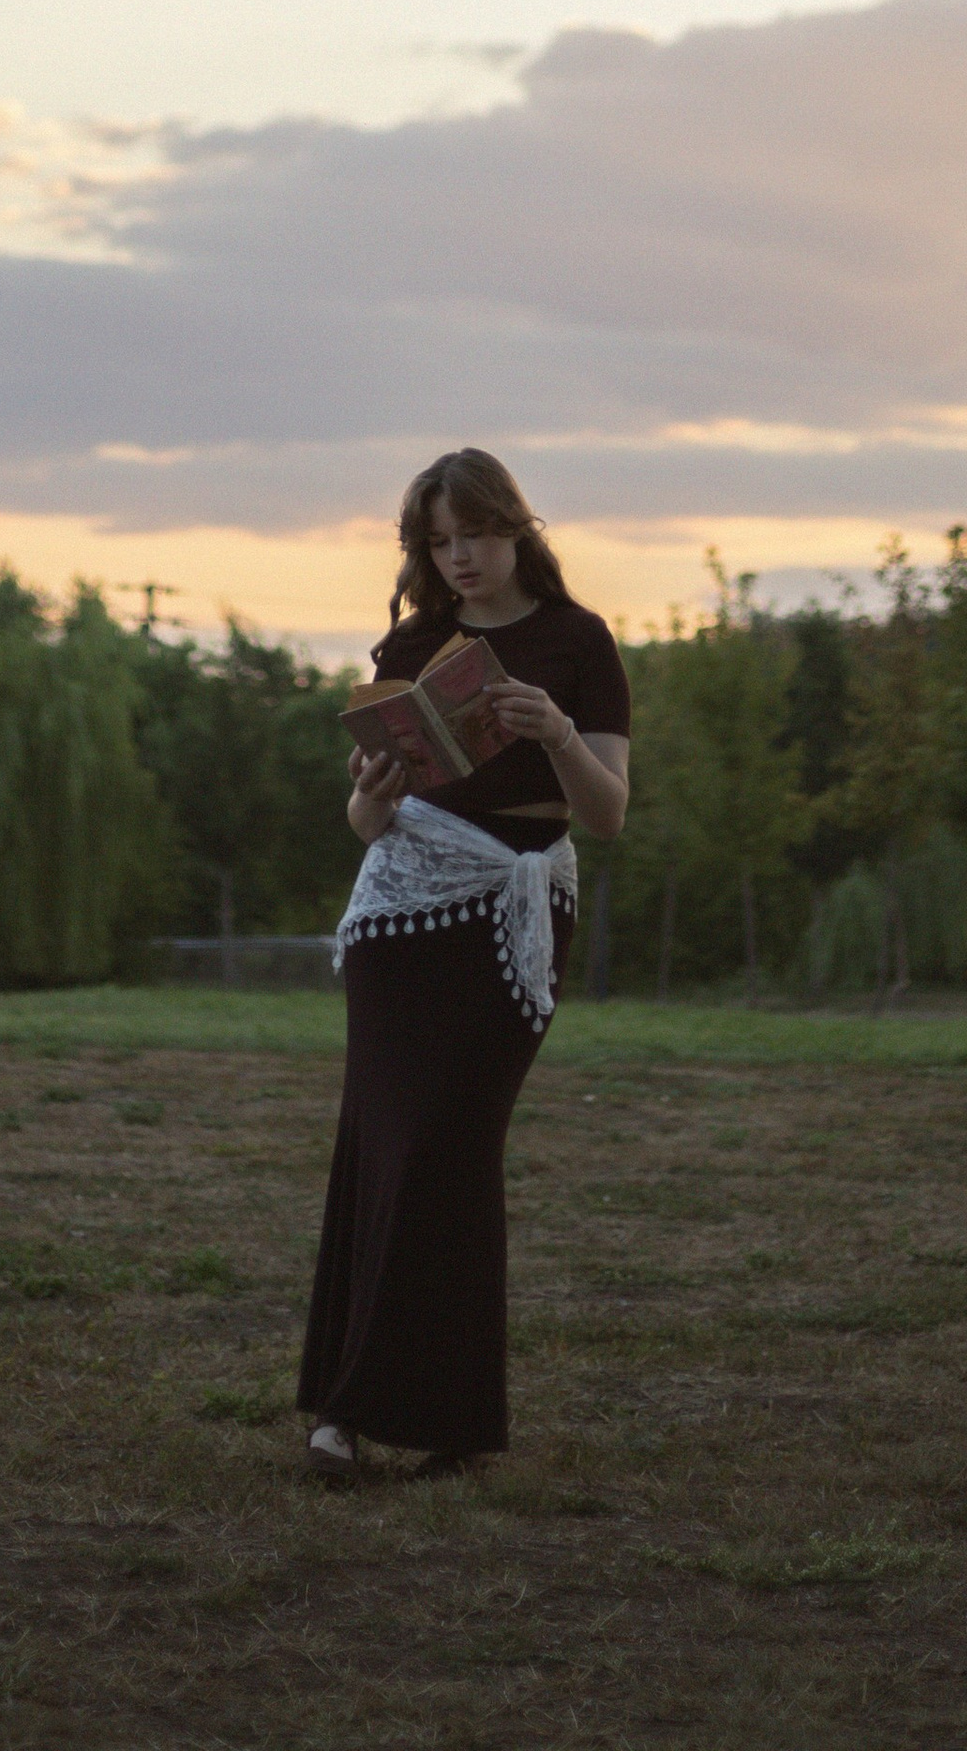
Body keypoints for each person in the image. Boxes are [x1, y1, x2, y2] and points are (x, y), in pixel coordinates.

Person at [296, 447, 631, 1481]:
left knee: (450, 1150)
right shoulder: (416, 641)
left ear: (515, 529)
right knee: (384, 1149)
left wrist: (558, 732)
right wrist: (372, 788)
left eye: (472, 538)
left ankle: (447, 1414)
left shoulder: (578, 642)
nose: (457, 560)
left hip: (517, 909)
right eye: (437, 545)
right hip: (404, 916)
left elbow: (608, 813)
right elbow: (365, 824)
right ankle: (342, 1415)